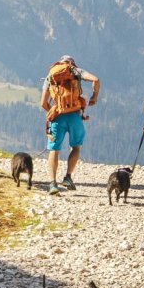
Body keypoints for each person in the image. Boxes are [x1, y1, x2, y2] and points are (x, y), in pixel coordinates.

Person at [41, 55, 100, 196]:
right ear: (71, 63)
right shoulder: (75, 71)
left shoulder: (51, 76)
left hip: (58, 117)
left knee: (54, 150)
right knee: (76, 147)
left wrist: (54, 111)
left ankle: (53, 184)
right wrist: (94, 96)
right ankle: (67, 177)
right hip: (75, 116)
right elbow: (96, 80)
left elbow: (43, 103)